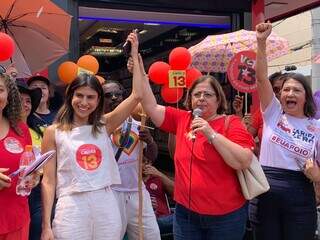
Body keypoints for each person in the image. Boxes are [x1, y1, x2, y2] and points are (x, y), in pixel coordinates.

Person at [132, 49, 255, 239]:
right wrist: (140, 74)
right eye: (197, 94)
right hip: (186, 215)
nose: (201, 98)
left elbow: (243, 161)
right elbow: (150, 106)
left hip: (226, 217)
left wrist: (210, 133)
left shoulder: (231, 123)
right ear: (189, 99)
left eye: (208, 94)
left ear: (218, 99)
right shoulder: (182, 119)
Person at [40, 33, 143, 239]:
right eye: (79, 95)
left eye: (91, 97)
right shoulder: (54, 132)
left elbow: (137, 95)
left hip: (105, 202)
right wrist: (46, 226)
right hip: (70, 206)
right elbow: (48, 181)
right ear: (70, 97)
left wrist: (134, 54)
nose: (84, 102)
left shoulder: (105, 125)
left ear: (98, 100)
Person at [252, 22, 320, 240]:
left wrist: (318, 177)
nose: (289, 93)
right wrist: (261, 42)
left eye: (296, 90)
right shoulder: (273, 113)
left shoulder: (317, 127)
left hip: (301, 196)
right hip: (265, 193)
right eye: (285, 89)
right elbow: (262, 78)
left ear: (306, 97)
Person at [103, 79, 160, 238]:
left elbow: (152, 157)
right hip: (111, 193)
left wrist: (149, 141)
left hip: (137, 192)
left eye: (118, 94)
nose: (114, 98)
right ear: (101, 100)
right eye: (108, 95)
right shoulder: (97, 128)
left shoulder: (138, 124)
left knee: (150, 236)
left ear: (124, 98)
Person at [0, 73, 33, 240]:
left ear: (8, 95)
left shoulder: (20, 129)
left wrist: (34, 178)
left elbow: (31, 167)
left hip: (17, 219)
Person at [26, 75, 57, 240]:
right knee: (36, 225)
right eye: (34, 87)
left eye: (43, 87)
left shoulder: (60, 117)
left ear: (49, 92)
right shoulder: (24, 118)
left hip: (56, 178)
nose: (39, 90)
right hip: (33, 182)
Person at [143, 157, 174, 236]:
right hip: (149, 219)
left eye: (148, 162)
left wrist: (159, 174)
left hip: (165, 217)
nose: (146, 165)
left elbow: (176, 192)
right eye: (143, 162)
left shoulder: (157, 179)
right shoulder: (132, 182)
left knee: (185, 214)